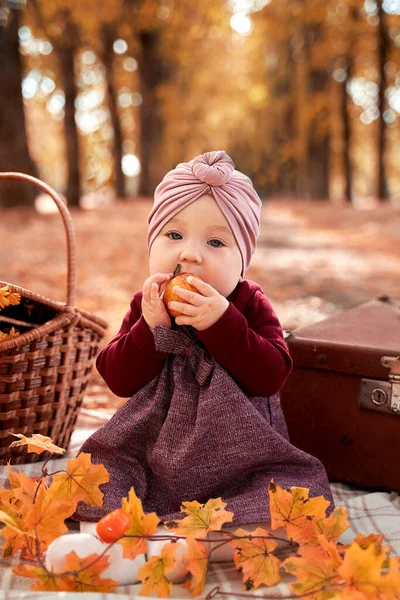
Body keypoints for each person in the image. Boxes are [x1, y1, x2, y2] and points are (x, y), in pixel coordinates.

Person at [46, 151, 334, 585]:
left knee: (294, 502)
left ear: (243, 261)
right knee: (100, 480)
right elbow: (117, 377)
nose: (190, 255)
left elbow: (272, 374)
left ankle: (187, 550)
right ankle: (105, 545)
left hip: (240, 458)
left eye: (216, 243)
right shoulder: (150, 304)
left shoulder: (248, 304)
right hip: (150, 448)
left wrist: (223, 324)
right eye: (174, 234)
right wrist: (150, 328)